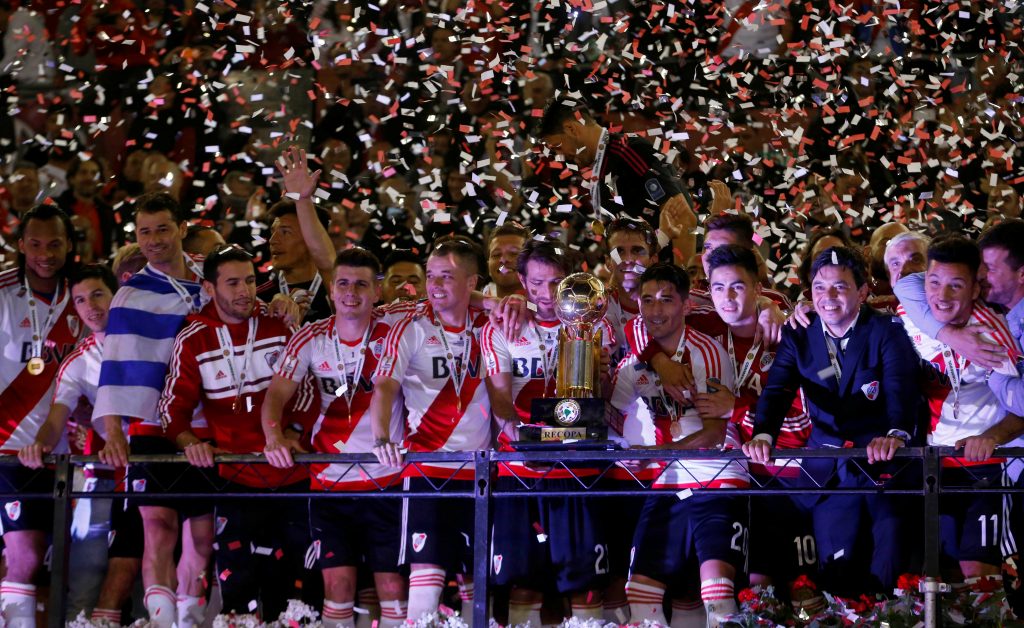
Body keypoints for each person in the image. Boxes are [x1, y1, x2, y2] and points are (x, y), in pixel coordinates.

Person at [743, 246, 924, 594]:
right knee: (836, 577)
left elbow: (901, 389)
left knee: (887, 577)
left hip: (883, 467)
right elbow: (778, 388)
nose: (828, 297)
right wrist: (764, 434)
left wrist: (895, 434)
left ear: (862, 291)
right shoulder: (800, 332)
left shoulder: (886, 329)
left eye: (840, 287)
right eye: (819, 288)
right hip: (828, 471)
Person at [158, 245, 315, 619]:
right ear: (210, 288)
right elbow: (171, 411)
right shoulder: (194, 336)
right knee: (238, 594)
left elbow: (311, 388)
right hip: (237, 479)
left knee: (293, 599)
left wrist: (293, 431)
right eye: (233, 283)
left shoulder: (280, 322)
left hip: (294, 476)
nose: (245, 290)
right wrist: (190, 443)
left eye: (250, 280)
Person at [264, 248, 410, 628]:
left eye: (361, 284)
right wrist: (273, 437)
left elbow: (449, 296)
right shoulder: (311, 337)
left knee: (392, 587)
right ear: (331, 289)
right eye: (343, 283)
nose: (351, 292)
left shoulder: (399, 326)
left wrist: (494, 299)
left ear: (377, 291)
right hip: (330, 482)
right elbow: (275, 396)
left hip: (388, 481)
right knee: (339, 587)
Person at [94, 192, 215, 628]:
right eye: (144, 232)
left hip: (208, 424)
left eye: (163, 228)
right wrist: (112, 432)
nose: (153, 240)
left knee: (203, 538)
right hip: (152, 426)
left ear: (182, 228)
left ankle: (191, 619)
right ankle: (161, 623)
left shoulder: (211, 281)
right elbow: (115, 370)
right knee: (158, 531)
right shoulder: (129, 295)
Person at [481, 239, 615, 625]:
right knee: (524, 583)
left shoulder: (595, 322)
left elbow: (604, 401)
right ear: (522, 281)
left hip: (579, 471)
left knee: (585, 586)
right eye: (537, 283)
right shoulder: (503, 325)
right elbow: (500, 397)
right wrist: (523, 440)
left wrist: (602, 375)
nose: (546, 293)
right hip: (520, 471)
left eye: (556, 282)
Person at [608, 262, 746, 628]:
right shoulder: (633, 364)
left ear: (686, 305)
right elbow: (611, 417)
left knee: (716, 592)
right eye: (648, 300)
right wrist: (621, 450)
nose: (656, 310)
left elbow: (716, 435)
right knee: (639, 593)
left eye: (666, 300)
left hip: (716, 476)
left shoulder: (707, 351)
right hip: (667, 480)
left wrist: (652, 455)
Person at [368, 236, 492, 624]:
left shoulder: (490, 324)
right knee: (426, 574)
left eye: (447, 276)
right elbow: (384, 385)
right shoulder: (410, 327)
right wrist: (381, 436)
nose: (435, 285)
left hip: (482, 470)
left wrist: (493, 302)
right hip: (427, 470)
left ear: (472, 283)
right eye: (432, 276)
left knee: (476, 579)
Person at [899, 236, 1021, 600]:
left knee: (978, 573)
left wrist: (994, 438)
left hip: (983, 464)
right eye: (934, 282)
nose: (942, 295)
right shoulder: (910, 313)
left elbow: (1022, 407)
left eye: (956, 285)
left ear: (976, 286)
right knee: (931, 573)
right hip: (931, 463)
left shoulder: (995, 336)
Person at [702, 245, 817, 601]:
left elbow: (801, 424)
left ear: (758, 290)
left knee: (802, 594)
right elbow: (645, 315)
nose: (727, 297)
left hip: (787, 480)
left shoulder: (788, 335)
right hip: (730, 481)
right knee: (750, 595)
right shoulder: (703, 333)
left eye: (738, 287)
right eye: (718, 288)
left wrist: (735, 409)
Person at [18, 264, 117, 621]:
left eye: (97, 294)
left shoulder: (154, 340)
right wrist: (38, 445)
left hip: (162, 467)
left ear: (116, 293)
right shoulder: (77, 362)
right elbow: (56, 418)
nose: (90, 306)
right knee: (86, 568)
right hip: (103, 471)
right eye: (79, 300)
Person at [0, 204, 80, 627]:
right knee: (26, 556)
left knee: (63, 563)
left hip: (74, 454)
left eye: (54, 243)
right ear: (20, 245)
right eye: (34, 244)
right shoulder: (1, 291)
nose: (45, 253)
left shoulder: (86, 292)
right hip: (11, 449)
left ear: (69, 245)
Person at [535, 101, 697, 261]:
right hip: (643, 274)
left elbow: (683, 220)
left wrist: (680, 279)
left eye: (557, 146)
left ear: (572, 128)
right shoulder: (602, 165)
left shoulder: (628, 151)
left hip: (666, 275)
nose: (559, 156)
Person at [257, 147, 337, 324]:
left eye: (285, 232)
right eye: (272, 232)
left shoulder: (341, 290)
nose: (272, 241)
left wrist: (303, 200)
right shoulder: (259, 296)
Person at [482, 222, 528, 298]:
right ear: (488, 266)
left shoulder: (548, 306)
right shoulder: (469, 306)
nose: (504, 260)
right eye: (496, 254)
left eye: (514, 253)